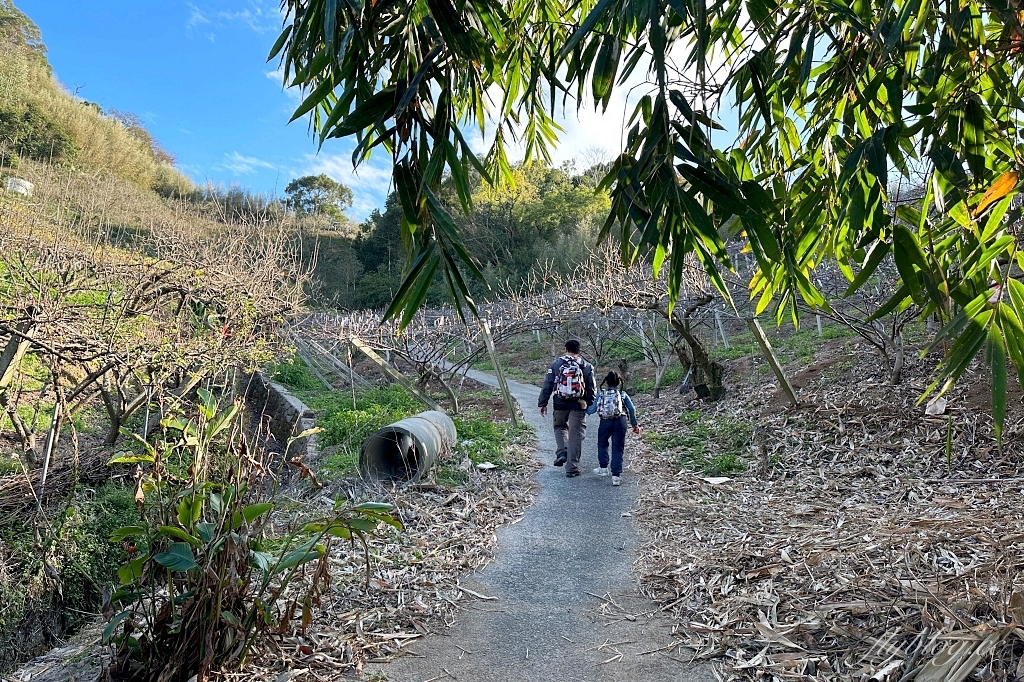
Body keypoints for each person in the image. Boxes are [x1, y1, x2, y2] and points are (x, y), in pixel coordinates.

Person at [538, 339, 596, 478]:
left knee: (560, 427)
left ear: (565, 349)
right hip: (578, 403)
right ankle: (572, 468)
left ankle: (562, 451)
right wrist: (589, 402)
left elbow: (548, 384)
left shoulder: (556, 364)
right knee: (576, 435)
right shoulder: (587, 366)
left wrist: (543, 403)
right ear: (579, 351)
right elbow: (591, 388)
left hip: (560, 402)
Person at [586, 371, 641, 486]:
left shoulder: (601, 394)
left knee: (602, 443)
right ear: (619, 382)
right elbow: (631, 409)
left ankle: (603, 468)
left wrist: (584, 406)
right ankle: (616, 476)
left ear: (606, 381)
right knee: (618, 448)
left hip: (605, 422)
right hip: (620, 421)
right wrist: (634, 424)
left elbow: (591, 410)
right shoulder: (622, 394)